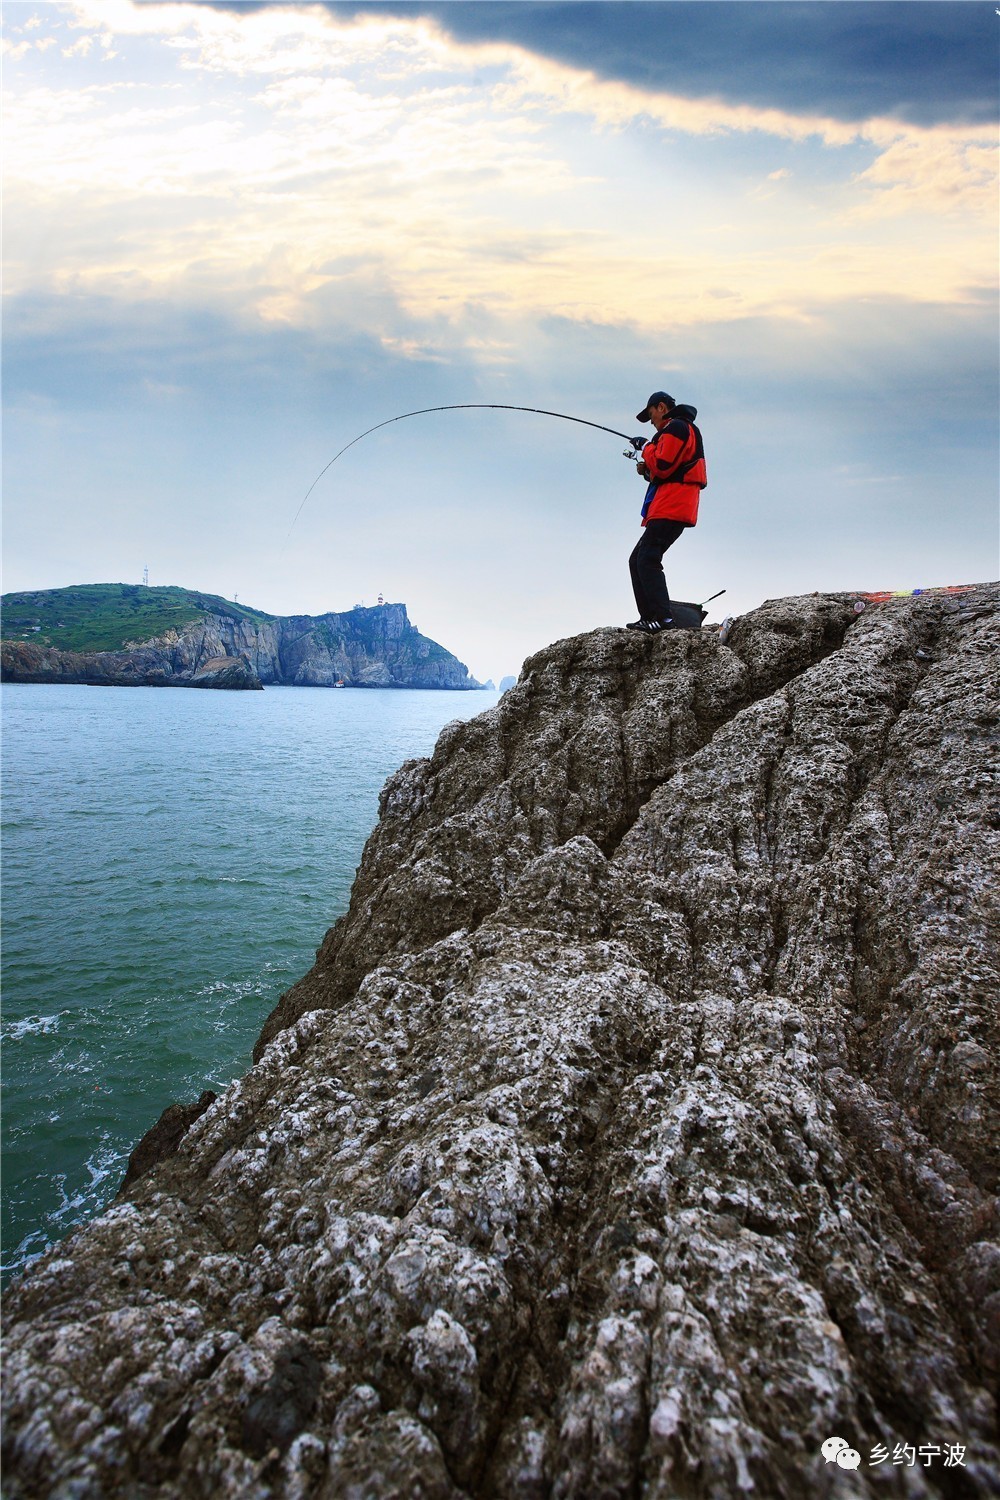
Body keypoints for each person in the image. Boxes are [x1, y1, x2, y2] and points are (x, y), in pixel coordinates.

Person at [627, 390, 707, 632]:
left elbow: (662, 464)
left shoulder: (676, 428)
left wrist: (646, 447)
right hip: (671, 503)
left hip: (673, 505)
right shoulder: (677, 430)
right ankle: (650, 617)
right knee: (637, 559)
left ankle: (663, 619)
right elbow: (666, 470)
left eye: (651, 415)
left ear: (661, 407)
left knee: (647, 558)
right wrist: (647, 469)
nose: (652, 422)